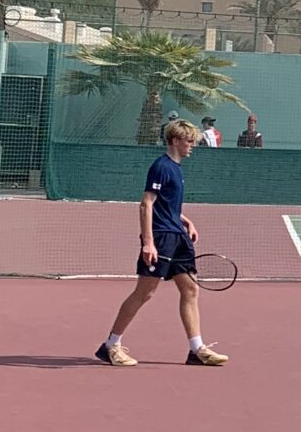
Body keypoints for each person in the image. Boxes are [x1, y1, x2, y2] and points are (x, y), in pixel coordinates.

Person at [96, 118, 229, 367]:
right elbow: (146, 203)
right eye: (189, 141)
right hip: (161, 237)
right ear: (175, 140)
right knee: (145, 292)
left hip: (178, 236)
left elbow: (167, 204)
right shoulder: (161, 167)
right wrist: (148, 242)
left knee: (190, 289)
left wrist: (185, 221)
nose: (192, 145)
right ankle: (111, 345)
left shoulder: (177, 168)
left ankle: (197, 350)